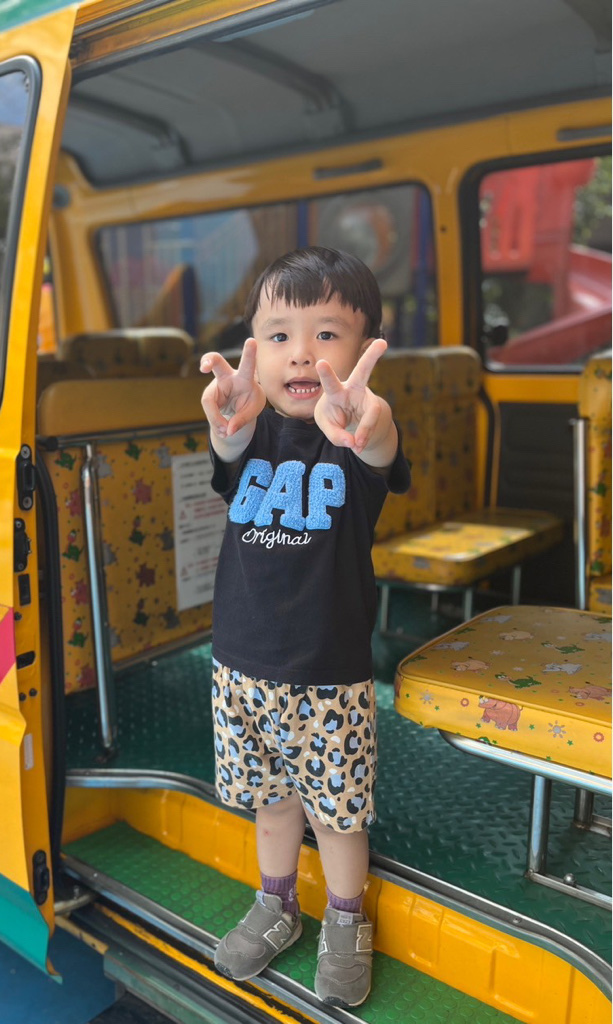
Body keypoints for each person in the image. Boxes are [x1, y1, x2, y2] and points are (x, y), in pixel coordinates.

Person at [200, 246, 410, 1009]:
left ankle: (347, 920)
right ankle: (277, 903)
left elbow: (380, 444)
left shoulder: (351, 442)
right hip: (240, 666)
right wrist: (227, 424)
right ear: (254, 351)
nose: (300, 353)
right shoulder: (250, 432)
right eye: (279, 335)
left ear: (362, 350)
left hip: (328, 676)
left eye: (326, 334)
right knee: (272, 803)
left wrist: (367, 422)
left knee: (338, 814)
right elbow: (226, 446)